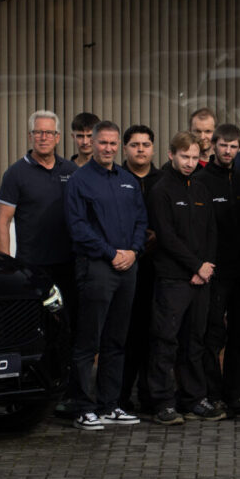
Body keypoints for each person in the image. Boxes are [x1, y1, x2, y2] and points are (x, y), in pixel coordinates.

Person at [63, 120, 147, 430]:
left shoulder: (127, 180)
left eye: (113, 143)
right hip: (97, 266)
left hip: (128, 266)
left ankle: (110, 404)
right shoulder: (79, 181)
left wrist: (134, 251)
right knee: (89, 341)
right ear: (92, 144)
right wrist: (111, 253)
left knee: (116, 340)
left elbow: (141, 220)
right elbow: (78, 227)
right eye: (103, 142)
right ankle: (83, 407)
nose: (108, 148)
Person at [146, 131, 222, 425]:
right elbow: (166, 236)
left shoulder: (201, 189)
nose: (190, 162)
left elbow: (212, 231)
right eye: (184, 157)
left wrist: (207, 267)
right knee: (166, 340)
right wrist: (195, 266)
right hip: (173, 279)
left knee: (195, 341)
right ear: (171, 155)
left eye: (194, 157)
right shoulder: (160, 190)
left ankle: (193, 399)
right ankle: (162, 402)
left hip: (201, 279)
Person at [0, 110, 78, 324]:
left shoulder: (71, 170)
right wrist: (6, 263)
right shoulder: (15, 173)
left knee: (68, 320)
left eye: (49, 133)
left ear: (57, 137)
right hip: (31, 264)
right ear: (30, 136)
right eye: (38, 132)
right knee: (34, 321)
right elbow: (3, 221)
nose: (43, 137)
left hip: (68, 262)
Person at [195, 123, 240, 416]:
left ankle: (235, 394)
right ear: (213, 145)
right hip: (213, 272)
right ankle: (212, 393)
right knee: (212, 335)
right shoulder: (201, 180)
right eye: (223, 145)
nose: (228, 151)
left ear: (239, 148)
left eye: (233, 146)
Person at [118, 124, 160, 414]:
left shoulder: (164, 179)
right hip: (125, 265)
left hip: (158, 268)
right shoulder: (116, 178)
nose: (141, 149)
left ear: (153, 149)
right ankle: (120, 396)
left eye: (146, 144)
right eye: (135, 145)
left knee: (153, 334)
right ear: (125, 148)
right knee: (125, 334)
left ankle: (149, 394)